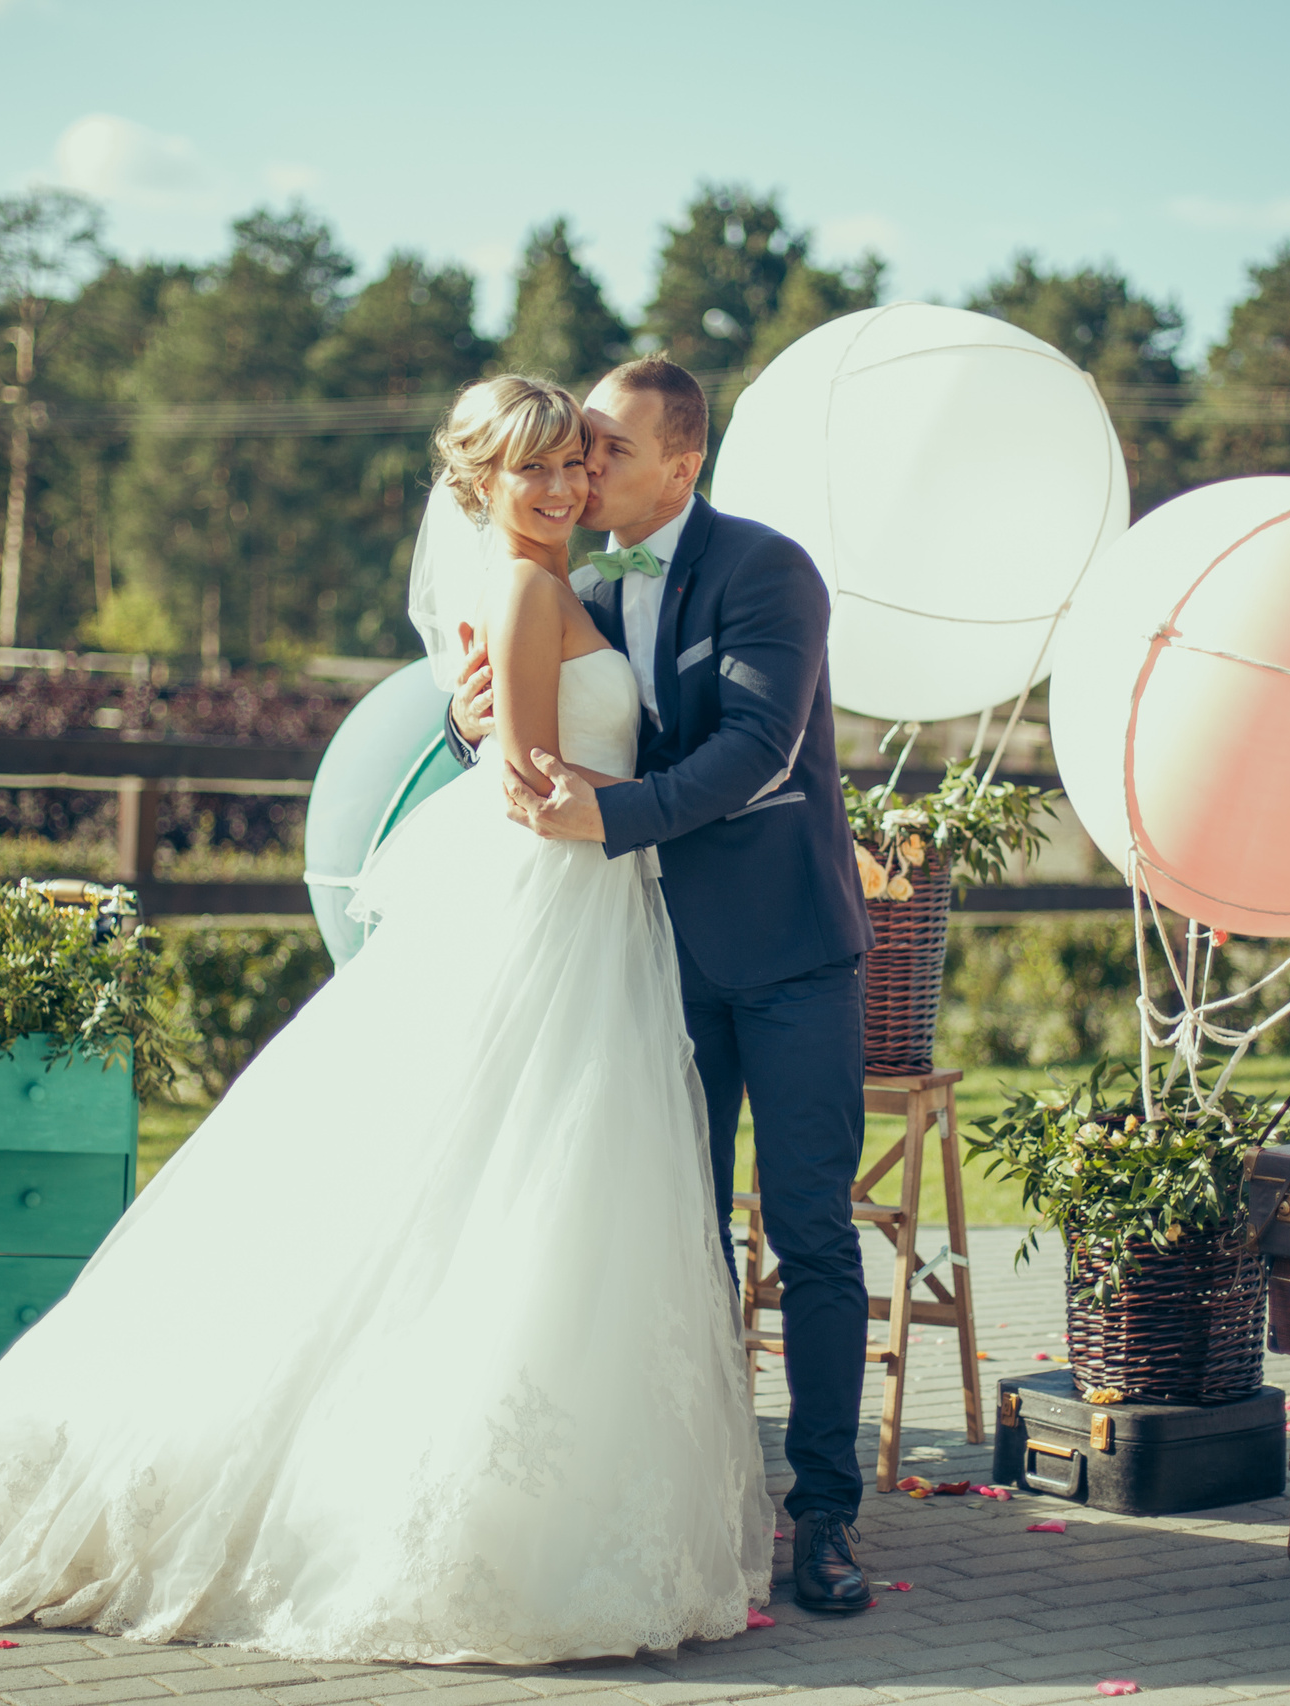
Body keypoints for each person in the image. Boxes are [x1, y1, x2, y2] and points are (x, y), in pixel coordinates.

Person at [0, 376, 773, 1662]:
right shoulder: (535, 585)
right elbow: (531, 781)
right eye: (534, 469)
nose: (560, 488)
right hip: (553, 898)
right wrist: (633, 791)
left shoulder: (544, 584)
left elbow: (503, 736)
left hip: (581, 906)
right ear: (477, 479)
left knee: (505, 1189)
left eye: (572, 466)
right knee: (518, 1179)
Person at [445, 358, 878, 1616]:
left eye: (604, 450)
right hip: (647, 963)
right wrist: (465, 714)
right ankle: (698, 1499)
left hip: (791, 954)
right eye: (569, 448)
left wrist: (609, 816)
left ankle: (825, 1515)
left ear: (683, 465)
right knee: (668, 1232)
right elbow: (526, 711)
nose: (580, 468)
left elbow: (758, 749)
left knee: (808, 1234)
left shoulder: (766, 568)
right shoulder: (577, 576)